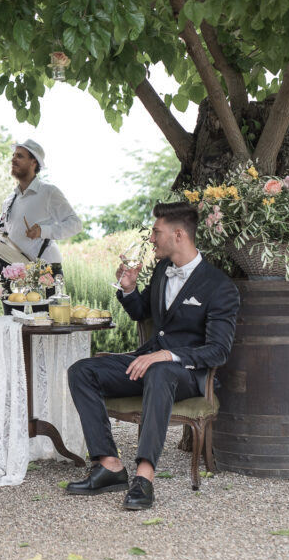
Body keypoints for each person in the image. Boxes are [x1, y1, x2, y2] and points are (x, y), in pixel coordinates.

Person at [65, 202, 240, 510]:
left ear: (178, 234)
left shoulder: (219, 286)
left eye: (156, 232)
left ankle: (144, 479)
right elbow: (142, 312)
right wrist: (129, 289)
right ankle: (109, 466)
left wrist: (167, 356)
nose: (151, 239)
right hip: (148, 362)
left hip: (186, 374)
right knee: (82, 371)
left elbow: (218, 351)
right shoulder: (162, 270)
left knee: (159, 371)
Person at [0, 140, 81, 309]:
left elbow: (75, 224)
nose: (13, 159)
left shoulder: (49, 192)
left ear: (34, 162)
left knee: (46, 327)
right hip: (14, 275)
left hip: (44, 273)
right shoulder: (10, 200)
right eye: (13, 156)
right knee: (13, 327)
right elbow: (5, 233)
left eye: (19, 156)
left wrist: (43, 230)